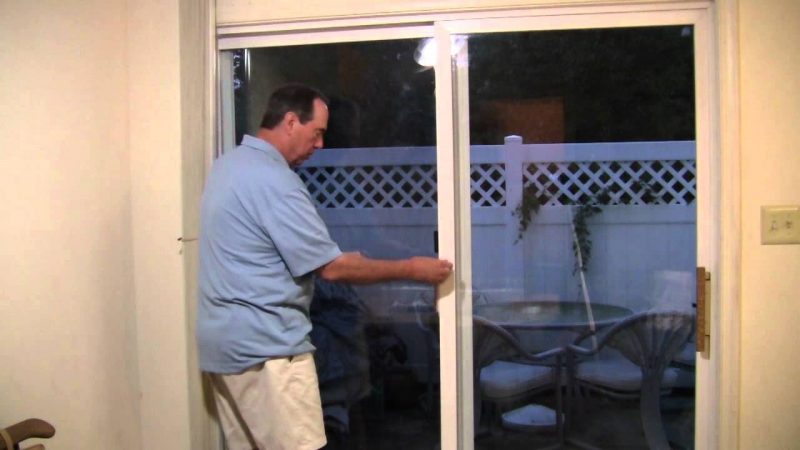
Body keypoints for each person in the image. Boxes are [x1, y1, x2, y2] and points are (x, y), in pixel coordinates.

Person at [196, 83, 452, 450]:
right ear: (289, 122)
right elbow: (332, 268)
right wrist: (413, 268)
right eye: (316, 133)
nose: (320, 145)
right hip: (268, 353)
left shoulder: (228, 167)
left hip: (223, 349)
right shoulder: (275, 181)